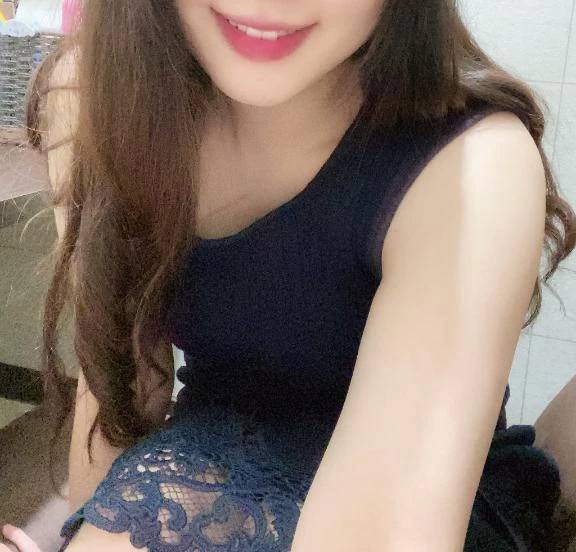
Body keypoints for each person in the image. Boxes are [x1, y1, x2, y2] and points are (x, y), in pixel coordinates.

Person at [1, 1, 575, 550]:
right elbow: (120, 380)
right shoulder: (96, 94)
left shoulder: (476, 164)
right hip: (207, 452)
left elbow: (389, 529)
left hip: (428, 490)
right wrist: (82, 527)